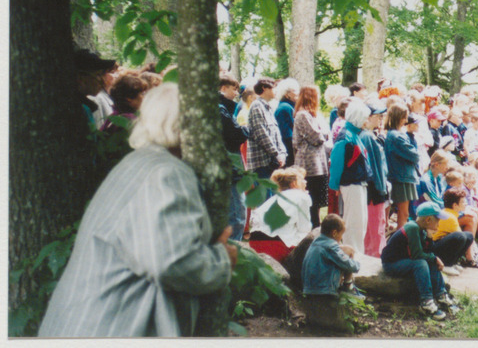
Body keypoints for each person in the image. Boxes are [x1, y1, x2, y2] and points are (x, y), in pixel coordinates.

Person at [39, 83, 237, 337]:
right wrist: (221, 260)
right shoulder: (166, 173)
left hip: (85, 324)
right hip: (112, 329)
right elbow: (171, 262)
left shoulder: (138, 164)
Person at [381, 202, 459, 320]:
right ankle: (426, 302)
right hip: (391, 264)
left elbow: (428, 251)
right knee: (421, 263)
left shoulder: (421, 230)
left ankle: (441, 295)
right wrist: (434, 258)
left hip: (405, 260)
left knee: (430, 260)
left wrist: (429, 238)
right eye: (437, 220)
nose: (439, 224)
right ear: (428, 220)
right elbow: (417, 254)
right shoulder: (412, 228)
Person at [328, 99, 372, 254]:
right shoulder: (345, 137)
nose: (368, 120)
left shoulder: (353, 134)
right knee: (354, 222)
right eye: (365, 117)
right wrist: (334, 185)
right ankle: (352, 254)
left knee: (360, 222)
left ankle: (357, 253)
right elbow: (336, 163)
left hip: (358, 183)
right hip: (351, 184)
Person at [249, 167, 312, 262]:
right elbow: (304, 229)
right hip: (275, 245)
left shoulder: (273, 200)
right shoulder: (302, 197)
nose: (305, 182)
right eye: (302, 179)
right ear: (294, 183)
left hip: (254, 242)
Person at [293, 85, 330, 228]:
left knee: (317, 198)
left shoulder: (310, 115)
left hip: (317, 163)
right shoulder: (302, 115)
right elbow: (316, 136)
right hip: (308, 163)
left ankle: (315, 223)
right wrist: (324, 134)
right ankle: (312, 225)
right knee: (311, 197)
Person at [219, 73, 250, 241]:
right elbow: (236, 134)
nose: (236, 93)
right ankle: (234, 255)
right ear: (223, 88)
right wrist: (245, 128)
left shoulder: (224, 108)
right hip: (229, 168)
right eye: (234, 88)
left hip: (228, 167)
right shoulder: (220, 109)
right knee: (237, 217)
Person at [302, 214, 362, 299]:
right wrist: (358, 265)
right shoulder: (330, 246)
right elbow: (349, 264)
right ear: (334, 233)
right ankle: (348, 287)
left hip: (308, 289)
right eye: (341, 235)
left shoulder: (315, 242)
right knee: (348, 251)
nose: (341, 239)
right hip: (324, 290)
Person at [361, 101, 390, 258]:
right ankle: (376, 256)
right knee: (376, 226)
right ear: (368, 117)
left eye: (382, 116)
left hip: (373, 187)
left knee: (374, 225)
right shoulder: (367, 137)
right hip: (374, 189)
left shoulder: (370, 135)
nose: (381, 119)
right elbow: (374, 167)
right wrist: (381, 189)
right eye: (378, 116)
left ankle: (371, 253)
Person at [385, 105, 420, 229]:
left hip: (401, 176)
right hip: (401, 177)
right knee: (403, 213)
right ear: (399, 118)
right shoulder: (397, 136)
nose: (406, 120)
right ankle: (401, 239)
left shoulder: (393, 134)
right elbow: (414, 155)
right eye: (404, 117)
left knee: (403, 213)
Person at [247, 77, 286, 179]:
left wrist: (282, 153)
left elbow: (277, 134)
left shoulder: (268, 108)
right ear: (264, 88)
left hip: (272, 164)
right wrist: (276, 154)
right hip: (261, 165)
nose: (276, 91)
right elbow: (261, 134)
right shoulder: (256, 106)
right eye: (273, 87)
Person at [431, 187, 475, 276]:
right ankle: (447, 264)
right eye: (463, 202)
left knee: (469, 236)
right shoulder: (449, 216)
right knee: (460, 237)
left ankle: (453, 262)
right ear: (455, 205)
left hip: (439, 243)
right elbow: (459, 236)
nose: (466, 204)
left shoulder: (452, 214)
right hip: (433, 248)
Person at [274, 78, 299, 166]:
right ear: (287, 94)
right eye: (294, 90)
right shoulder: (285, 108)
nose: (298, 93)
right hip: (289, 153)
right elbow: (286, 134)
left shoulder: (290, 107)